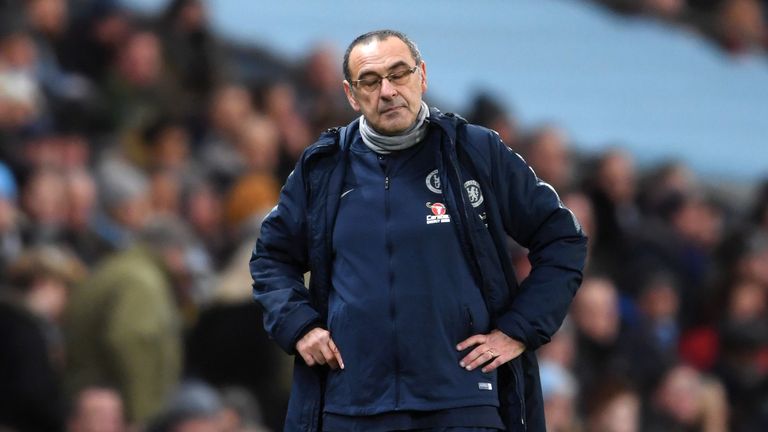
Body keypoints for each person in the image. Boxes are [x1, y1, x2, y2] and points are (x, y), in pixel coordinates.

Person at [250, 29, 587, 432]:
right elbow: (271, 258)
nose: (388, 91)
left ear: (422, 76)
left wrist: (518, 329)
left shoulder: (474, 153)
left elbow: (563, 239)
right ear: (351, 95)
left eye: (399, 74)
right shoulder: (321, 168)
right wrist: (299, 326)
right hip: (351, 404)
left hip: (462, 402)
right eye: (370, 81)